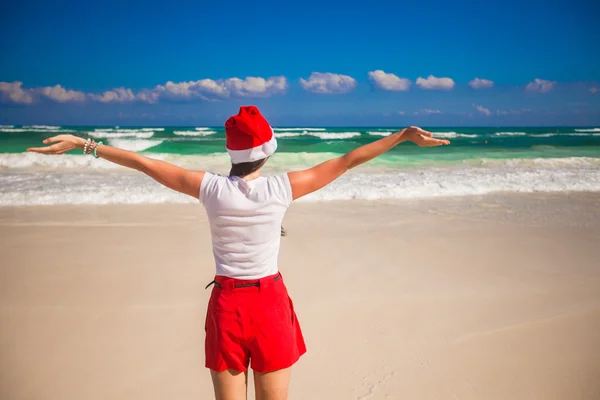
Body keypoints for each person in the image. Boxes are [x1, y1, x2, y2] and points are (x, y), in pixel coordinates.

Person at [27, 106, 450, 400]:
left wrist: (85, 144)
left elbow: (142, 162)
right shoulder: (282, 188)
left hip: (227, 305)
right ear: (267, 150)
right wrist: (403, 136)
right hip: (269, 305)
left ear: (233, 152)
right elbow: (347, 159)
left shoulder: (209, 188)